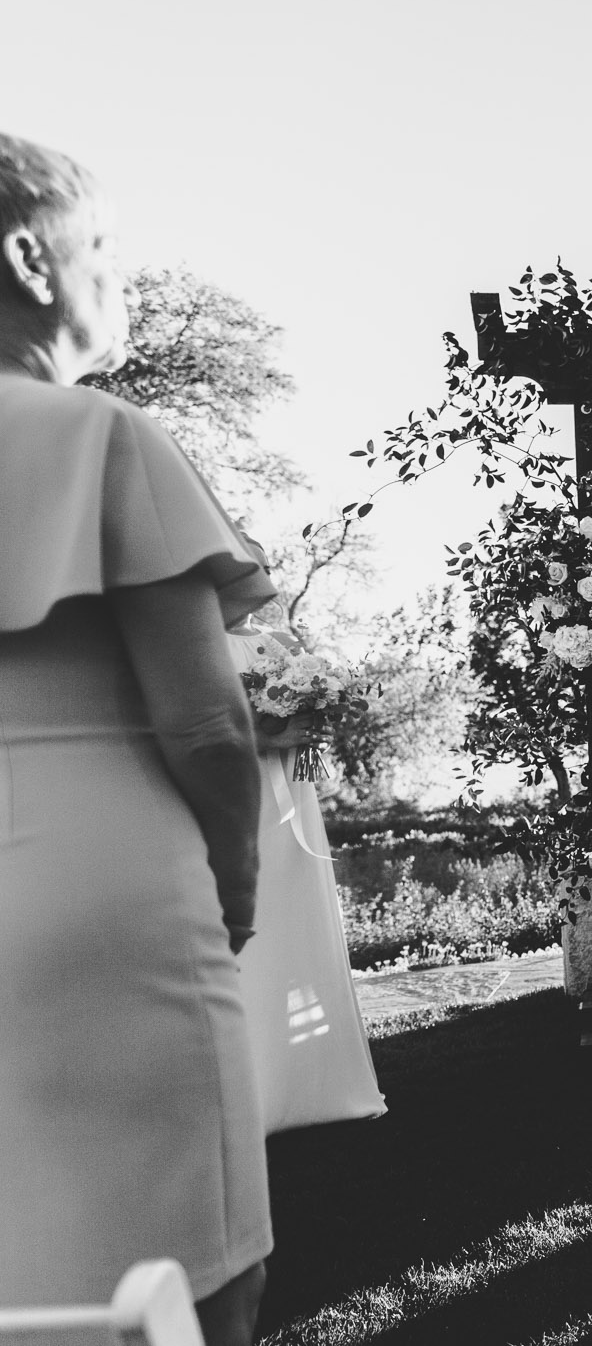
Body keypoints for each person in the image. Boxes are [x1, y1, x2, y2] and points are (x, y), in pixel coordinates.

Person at [0, 133, 272, 1344]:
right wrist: (238, 878)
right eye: (100, 241)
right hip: (102, 891)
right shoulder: (99, 436)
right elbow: (208, 726)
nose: (122, 270)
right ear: (27, 255)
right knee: (186, 1274)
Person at [225, 606, 385, 1133]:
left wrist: (310, 719)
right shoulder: (194, 642)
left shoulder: (280, 640)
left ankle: (321, 1083)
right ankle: (255, 1091)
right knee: (249, 931)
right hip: (237, 801)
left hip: (293, 794)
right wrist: (268, 737)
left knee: (297, 922)